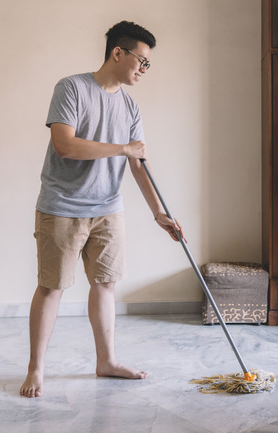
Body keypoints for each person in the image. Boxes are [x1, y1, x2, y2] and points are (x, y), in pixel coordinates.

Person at [20, 21, 181, 398]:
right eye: (141, 61)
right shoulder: (72, 88)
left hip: (108, 207)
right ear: (118, 53)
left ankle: (106, 361)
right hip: (62, 206)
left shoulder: (130, 106)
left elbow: (139, 162)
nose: (143, 69)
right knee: (51, 287)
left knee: (106, 285)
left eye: (148, 65)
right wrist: (122, 149)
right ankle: (36, 368)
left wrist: (159, 213)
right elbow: (65, 145)